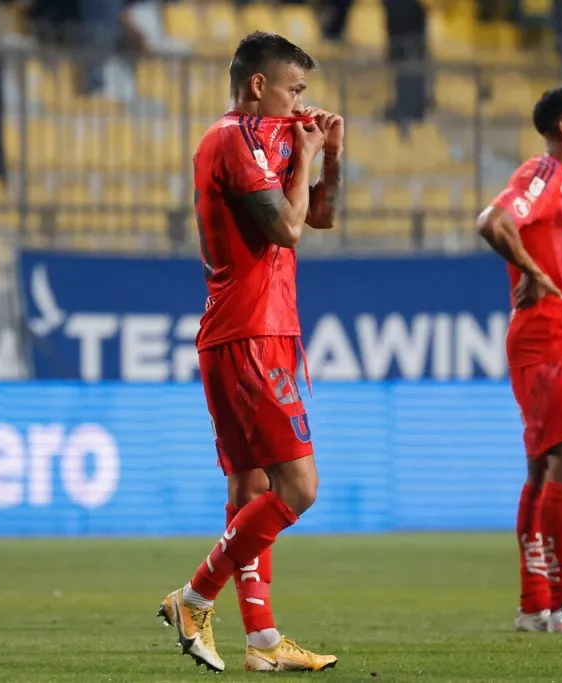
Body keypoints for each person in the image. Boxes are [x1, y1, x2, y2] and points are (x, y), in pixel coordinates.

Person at [156, 31, 343, 673]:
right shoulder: (232, 138)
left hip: (256, 332)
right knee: (299, 486)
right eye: (295, 89)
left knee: (250, 487)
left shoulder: (270, 141)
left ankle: (261, 643)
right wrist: (308, 156)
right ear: (258, 84)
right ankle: (194, 595)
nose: (301, 104)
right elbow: (287, 228)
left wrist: (331, 157)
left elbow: (320, 218)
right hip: (249, 334)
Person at [476, 85, 562, 634]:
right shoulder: (547, 174)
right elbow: (493, 220)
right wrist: (531, 272)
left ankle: (536, 605)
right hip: (551, 339)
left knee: (546, 467)